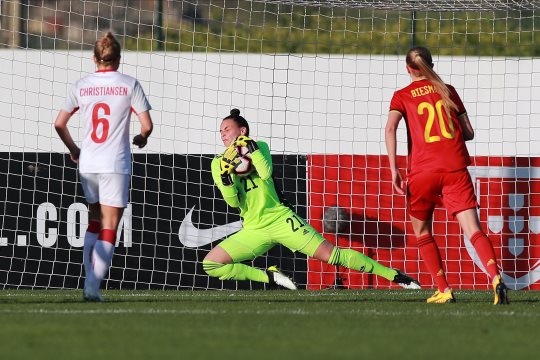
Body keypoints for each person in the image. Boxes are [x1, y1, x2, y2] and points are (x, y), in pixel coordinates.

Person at [203, 108, 421, 290]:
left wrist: (251, 149)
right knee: (211, 264)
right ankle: (270, 276)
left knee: (331, 255)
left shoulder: (260, 147)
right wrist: (226, 176)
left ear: (242, 131)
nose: (222, 134)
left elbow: (266, 172)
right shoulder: (217, 163)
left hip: (280, 219)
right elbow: (233, 202)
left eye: (227, 129)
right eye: (220, 131)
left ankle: (394, 276)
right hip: (254, 228)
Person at [385, 46, 509, 304]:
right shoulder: (447, 90)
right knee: (473, 230)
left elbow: (390, 129)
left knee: (422, 232)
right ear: (431, 64)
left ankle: (444, 289)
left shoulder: (401, 96)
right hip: (455, 168)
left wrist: (394, 168)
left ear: (408, 68)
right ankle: (496, 278)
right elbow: (469, 133)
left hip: (422, 172)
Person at [54, 32, 153, 301]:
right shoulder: (129, 84)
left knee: (94, 220)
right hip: (114, 162)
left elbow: (59, 123)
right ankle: (92, 286)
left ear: (94, 59)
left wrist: (74, 150)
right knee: (110, 225)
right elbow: (147, 126)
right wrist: (141, 138)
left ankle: (89, 281)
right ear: (118, 59)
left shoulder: (81, 85)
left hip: (89, 162)